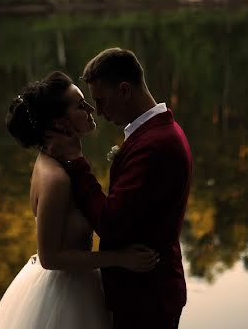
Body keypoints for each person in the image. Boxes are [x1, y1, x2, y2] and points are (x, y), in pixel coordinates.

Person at [0, 71, 159, 329]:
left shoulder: (59, 162)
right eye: (80, 105)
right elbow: (50, 257)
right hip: (64, 294)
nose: (91, 108)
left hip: (81, 284)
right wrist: (120, 258)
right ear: (59, 123)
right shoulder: (56, 179)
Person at [44, 48, 194, 329]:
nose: (98, 112)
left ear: (124, 90)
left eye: (101, 101)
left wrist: (77, 162)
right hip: (146, 292)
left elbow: (109, 223)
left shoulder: (153, 145)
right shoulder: (158, 132)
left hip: (147, 297)